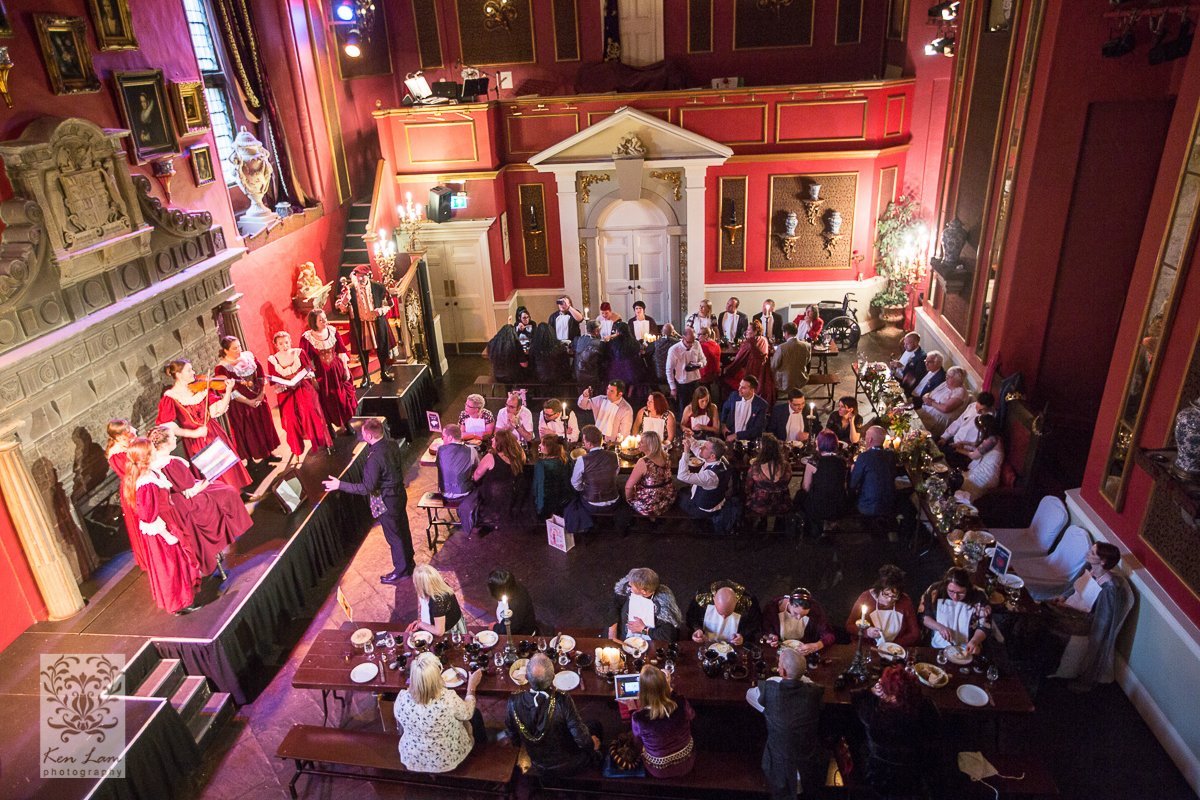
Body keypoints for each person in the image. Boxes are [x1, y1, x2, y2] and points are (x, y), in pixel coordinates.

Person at [148, 426, 250, 576]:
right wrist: (210, 476)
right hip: (188, 505)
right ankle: (227, 535)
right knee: (227, 492)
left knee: (221, 489)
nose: (176, 438)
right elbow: (191, 490)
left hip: (179, 502)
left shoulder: (156, 462)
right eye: (172, 437)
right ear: (163, 444)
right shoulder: (170, 464)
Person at [322, 418, 414, 582]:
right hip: (399, 494)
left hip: (387, 500)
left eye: (363, 432)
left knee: (394, 536)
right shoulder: (391, 443)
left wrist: (340, 485)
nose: (361, 434)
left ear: (369, 436)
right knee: (403, 528)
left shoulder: (374, 458)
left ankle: (402, 570)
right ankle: (409, 562)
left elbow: (366, 488)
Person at [122, 437, 202, 614]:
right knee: (171, 566)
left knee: (178, 562)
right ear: (147, 456)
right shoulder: (146, 483)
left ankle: (184, 597)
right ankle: (179, 603)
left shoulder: (152, 473)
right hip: (162, 528)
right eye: (152, 449)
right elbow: (147, 516)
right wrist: (167, 535)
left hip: (169, 519)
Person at [157, 358, 251, 491]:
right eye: (189, 370)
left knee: (227, 466)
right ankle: (223, 499)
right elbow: (167, 425)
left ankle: (237, 493)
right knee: (212, 473)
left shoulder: (200, 388)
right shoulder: (170, 397)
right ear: (178, 375)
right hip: (194, 439)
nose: (194, 372)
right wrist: (193, 433)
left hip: (213, 431)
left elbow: (216, 410)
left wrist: (228, 390)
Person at [505, 654, 602, 776]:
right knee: (595, 726)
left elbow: (513, 736)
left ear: (526, 677)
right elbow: (581, 739)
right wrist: (592, 745)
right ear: (553, 678)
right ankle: (597, 769)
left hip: (539, 763)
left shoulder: (513, 701)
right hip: (569, 763)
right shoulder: (561, 700)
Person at [850, 666, 941, 796]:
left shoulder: (873, 714)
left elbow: (855, 696)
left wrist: (870, 690)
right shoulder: (927, 708)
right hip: (914, 772)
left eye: (882, 683)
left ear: (891, 697)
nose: (879, 682)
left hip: (879, 774)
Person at [394, 652, 485, 772]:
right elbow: (468, 713)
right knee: (475, 715)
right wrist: (471, 687)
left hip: (414, 756)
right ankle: (483, 749)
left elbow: (400, 721)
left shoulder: (402, 698)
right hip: (447, 758)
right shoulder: (447, 699)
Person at [756, 647, 824, 800]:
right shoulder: (814, 692)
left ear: (783, 672)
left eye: (779, 664)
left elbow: (753, 697)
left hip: (780, 766)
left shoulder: (770, 688)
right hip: (808, 762)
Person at [267, 330, 333, 465]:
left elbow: (308, 368)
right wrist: (284, 384)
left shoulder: (298, 353)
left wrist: (306, 379)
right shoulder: (273, 360)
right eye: (281, 343)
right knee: (291, 419)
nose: (284, 345)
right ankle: (297, 449)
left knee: (310, 412)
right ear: (276, 345)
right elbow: (274, 379)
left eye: (286, 342)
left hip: (303, 387)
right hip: (287, 392)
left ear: (290, 341)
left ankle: (320, 441)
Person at [214, 336, 280, 464]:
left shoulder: (248, 356)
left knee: (263, 426)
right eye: (234, 348)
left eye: (239, 346)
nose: (239, 349)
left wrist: (262, 393)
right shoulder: (222, 368)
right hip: (241, 406)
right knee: (247, 431)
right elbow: (227, 391)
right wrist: (248, 401)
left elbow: (260, 375)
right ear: (226, 351)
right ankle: (250, 461)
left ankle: (268, 453)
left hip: (259, 398)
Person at [630, 664, 696, 778]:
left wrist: (633, 708)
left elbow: (637, 741)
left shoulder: (638, 718)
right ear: (666, 685)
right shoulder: (681, 702)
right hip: (687, 761)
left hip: (658, 770)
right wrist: (672, 692)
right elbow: (692, 716)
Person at [300, 310, 357, 435]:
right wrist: (313, 378)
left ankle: (346, 423)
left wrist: (346, 369)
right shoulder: (307, 338)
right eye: (321, 320)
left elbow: (341, 351)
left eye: (325, 318)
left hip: (336, 370)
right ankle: (329, 426)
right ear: (314, 322)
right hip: (321, 374)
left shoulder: (332, 331)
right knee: (325, 400)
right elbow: (306, 360)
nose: (325, 321)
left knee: (341, 397)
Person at [566, 425, 630, 534]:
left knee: (574, 499)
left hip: (592, 504)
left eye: (584, 441)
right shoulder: (614, 456)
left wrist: (585, 487)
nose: (583, 443)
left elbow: (575, 483)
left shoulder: (582, 460)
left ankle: (586, 525)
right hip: (613, 501)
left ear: (589, 444)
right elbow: (615, 474)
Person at [336, 264, 393, 386]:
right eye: (358, 276)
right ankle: (366, 376)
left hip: (376, 321)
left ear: (368, 275)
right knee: (363, 351)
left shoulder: (378, 287)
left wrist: (382, 310)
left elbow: (390, 303)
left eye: (363, 276)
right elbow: (341, 308)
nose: (360, 279)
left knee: (382, 347)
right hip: (361, 324)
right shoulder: (349, 289)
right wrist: (345, 300)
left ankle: (384, 371)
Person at [105, 420, 150, 571]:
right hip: (133, 489)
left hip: (141, 482)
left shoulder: (128, 441)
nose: (129, 433)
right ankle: (149, 557)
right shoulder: (116, 454)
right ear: (118, 437)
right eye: (125, 433)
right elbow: (131, 472)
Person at [918, 566, 992, 655]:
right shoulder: (935, 591)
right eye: (951, 591)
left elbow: (985, 625)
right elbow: (923, 616)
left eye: (961, 593)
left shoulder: (979, 596)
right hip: (937, 646)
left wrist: (974, 641)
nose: (955, 597)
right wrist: (940, 627)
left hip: (966, 648)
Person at [845, 564, 922, 647]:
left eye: (894, 596)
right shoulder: (866, 597)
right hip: (867, 647)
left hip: (894, 649)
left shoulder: (905, 600)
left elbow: (915, 633)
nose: (889, 599)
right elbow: (849, 625)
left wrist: (894, 645)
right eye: (886, 594)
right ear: (879, 589)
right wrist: (866, 632)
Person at [467, 428, 526, 535]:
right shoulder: (520, 455)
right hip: (511, 493)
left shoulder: (491, 457)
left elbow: (476, 476)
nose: (493, 440)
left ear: (500, 443)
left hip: (493, 495)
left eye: (495, 439)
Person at [609, 567, 683, 642]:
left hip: (650, 642)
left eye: (632, 586)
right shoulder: (627, 589)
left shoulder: (662, 606)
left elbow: (668, 635)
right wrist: (612, 630)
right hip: (626, 637)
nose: (629, 584)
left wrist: (643, 630)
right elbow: (615, 605)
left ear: (643, 591)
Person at [797, 430, 848, 538]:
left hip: (818, 506)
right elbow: (842, 484)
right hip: (838, 504)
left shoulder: (813, 462)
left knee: (800, 495)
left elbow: (805, 487)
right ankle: (830, 524)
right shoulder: (842, 462)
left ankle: (806, 527)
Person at [761, 588, 835, 654]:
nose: (799, 618)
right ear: (789, 603)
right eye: (795, 613)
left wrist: (816, 645)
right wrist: (771, 635)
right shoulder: (772, 608)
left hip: (803, 650)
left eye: (804, 615)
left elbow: (829, 635)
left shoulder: (815, 610)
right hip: (780, 651)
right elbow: (765, 628)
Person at [675, 437, 732, 524]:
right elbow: (699, 452)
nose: (701, 447)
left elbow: (682, 476)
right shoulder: (719, 460)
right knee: (683, 490)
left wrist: (686, 452)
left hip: (703, 510)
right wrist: (690, 438)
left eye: (704, 447)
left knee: (677, 496)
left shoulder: (711, 476)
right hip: (715, 499)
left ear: (712, 456)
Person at [686, 581, 762, 645]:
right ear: (713, 599)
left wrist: (743, 637)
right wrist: (697, 629)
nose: (724, 618)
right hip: (706, 643)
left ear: (736, 601)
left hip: (733, 646)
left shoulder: (748, 602)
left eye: (728, 614)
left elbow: (754, 624)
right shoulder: (702, 598)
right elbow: (691, 617)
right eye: (721, 614)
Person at [722, 320, 775, 404]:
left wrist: (727, 369)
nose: (746, 332)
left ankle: (729, 404)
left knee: (725, 375)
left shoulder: (749, 342)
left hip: (749, 373)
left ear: (755, 331)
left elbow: (738, 361)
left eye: (749, 330)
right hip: (762, 375)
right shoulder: (764, 340)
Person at [625, 430, 676, 518]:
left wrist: (629, 500)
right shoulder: (666, 456)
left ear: (650, 446)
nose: (638, 443)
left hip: (650, 504)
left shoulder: (643, 462)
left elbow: (628, 487)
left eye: (641, 442)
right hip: (668, 498)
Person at [939, 390, 996, 467]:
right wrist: (944, 437)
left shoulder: (990, 421)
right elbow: (958, 422)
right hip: (954, 441)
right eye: (977, 407)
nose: (978, 411)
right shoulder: (972, 406)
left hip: (965, 452)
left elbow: (980, 443)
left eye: (982, 410)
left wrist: (963, 447)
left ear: (990, 408)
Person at [745, 433, 793, 525]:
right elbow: (787, 481)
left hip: (760, 505)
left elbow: (748, 487)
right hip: (782, 504)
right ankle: (779, 524)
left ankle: (762, 523)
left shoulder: (756, 467)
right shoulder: (787, 466)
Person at [849, 425, 895, 519]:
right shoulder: (891, 456)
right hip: (888, 505)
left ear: (869, 440)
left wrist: (852, 471)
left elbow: (853, 484)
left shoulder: (864, 457)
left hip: (867, 506)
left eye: (865, 436)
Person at [407, 564, 467, 635]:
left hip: (450, 632)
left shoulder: (437, 601)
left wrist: (421, 624)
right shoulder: (438, 585)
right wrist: (421, 622)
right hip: (447, 623)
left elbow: (439, 631)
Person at [958, 414, 1005, 502]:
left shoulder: (991, 440)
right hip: (982, 470)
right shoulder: (994, 438)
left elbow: (973, 455)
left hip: (986, 475)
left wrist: (958, 450)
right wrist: (963, 443)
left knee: (961, 486)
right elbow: (977, 446)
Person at [917, 365, 969, 437]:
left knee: (918, 435)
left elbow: (945, 409)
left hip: (935, 420)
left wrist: (931, 402)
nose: (946, 377)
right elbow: (932, 393)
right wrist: (926, 396)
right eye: (946, 375)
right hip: (926, 410)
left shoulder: (960, 392)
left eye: (949, 376)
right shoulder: (946, 383)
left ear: (958, 379)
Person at [533, 434, 575, 520]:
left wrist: (538, 508)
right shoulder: (567, 460)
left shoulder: (541, 465)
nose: (539, 445)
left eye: (542, 444)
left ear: (549, 448)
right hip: (567, 501)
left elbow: (539, 489)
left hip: (549, 505)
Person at [665, 326, 705, 417]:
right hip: (682, 383)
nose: (691, 345)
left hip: (695, 380)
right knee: (683, 410)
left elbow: (703, 360)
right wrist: (672, 388)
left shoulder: (697, 344)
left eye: (693, 341)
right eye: (688, 342)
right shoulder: (674, 350)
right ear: (682, 338)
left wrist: (699, 364)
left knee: (697, 407)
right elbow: (669, 370)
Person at [605, 322, 649, 404]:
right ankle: (630, 394)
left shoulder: (613, 342)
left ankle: (618, 395)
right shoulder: (634, 342)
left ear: (618, 331)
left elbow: (609, 354)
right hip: (631, 370)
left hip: (616, 370)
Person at [488, 568, 538, 635]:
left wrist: (495, 628)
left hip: (522, 636)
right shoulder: (516, 587)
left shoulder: (515, 607)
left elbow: (509, 629)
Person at [720, 376, 770, 442]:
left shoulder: (761, 405)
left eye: (743, 388)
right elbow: (725, 408)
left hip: (748, 441)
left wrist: (737, 435)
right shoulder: (734, 396)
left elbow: (757, 430)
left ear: (752, 390)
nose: (739, 389)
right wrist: (723, 425)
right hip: (729, 436)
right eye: (740, 386)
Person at [436, 424, 477, 502]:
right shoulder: (471, 450)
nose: (442, 439)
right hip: (465, 492)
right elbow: (477, 468)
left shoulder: (440, 450)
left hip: (445, 493)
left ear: (450, 437)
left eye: (443, 437)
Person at [769, 322, 811, 396]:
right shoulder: (807, 346)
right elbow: (807, 361)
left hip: (785, 382)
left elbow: (774, 365)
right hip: (801, 379)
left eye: (784, 333)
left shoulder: (781, 347)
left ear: (786, 333)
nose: (783, 335)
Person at [573, 319, 606, 393]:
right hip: (593, 376)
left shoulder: (577, 340)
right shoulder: (599, 344)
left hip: (578, 374)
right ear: (597, 330)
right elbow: (604, 358)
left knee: (582, 397)